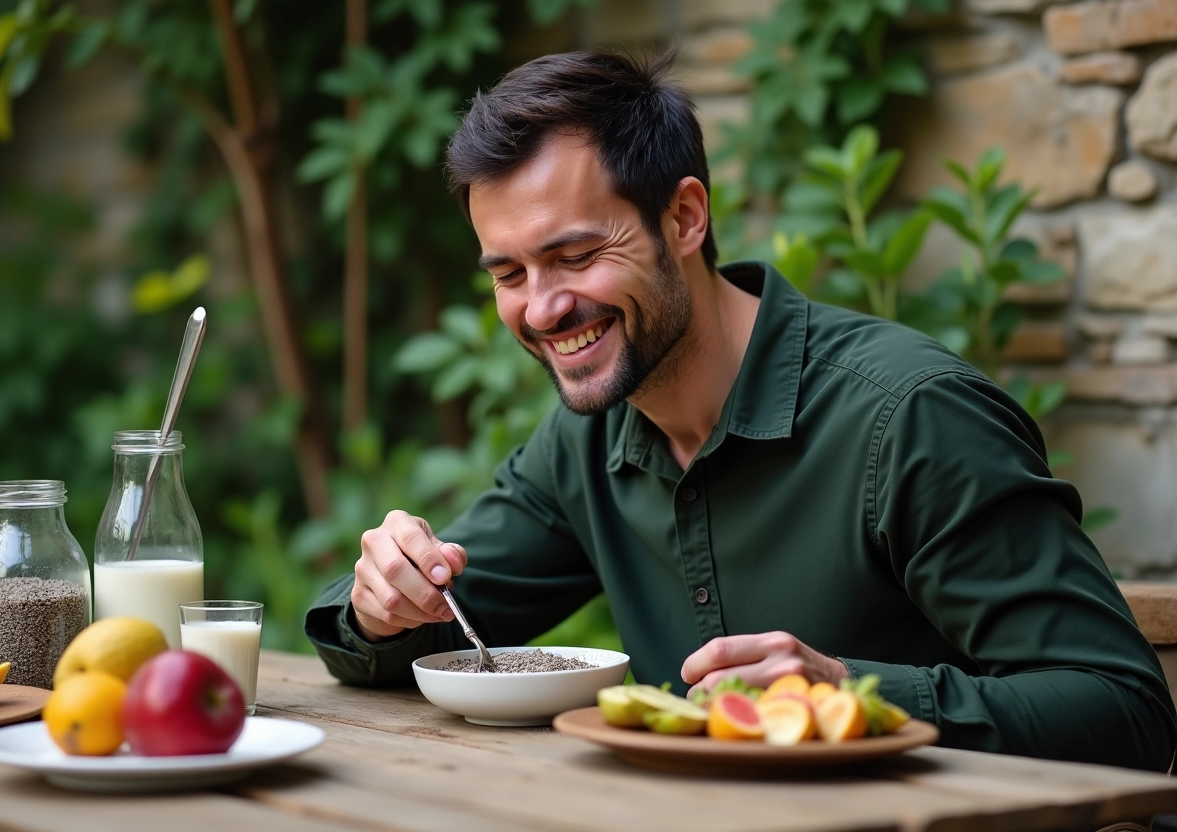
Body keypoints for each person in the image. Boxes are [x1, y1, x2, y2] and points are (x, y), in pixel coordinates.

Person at [305, 49, 1176, 771]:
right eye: (508, 274)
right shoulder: (584, 438)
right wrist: (381, 603)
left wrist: (845, 695)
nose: (540, 308)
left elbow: (1126, 714)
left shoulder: (910, 417)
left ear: (684, 218)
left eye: (574, 255)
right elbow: (419, 635)